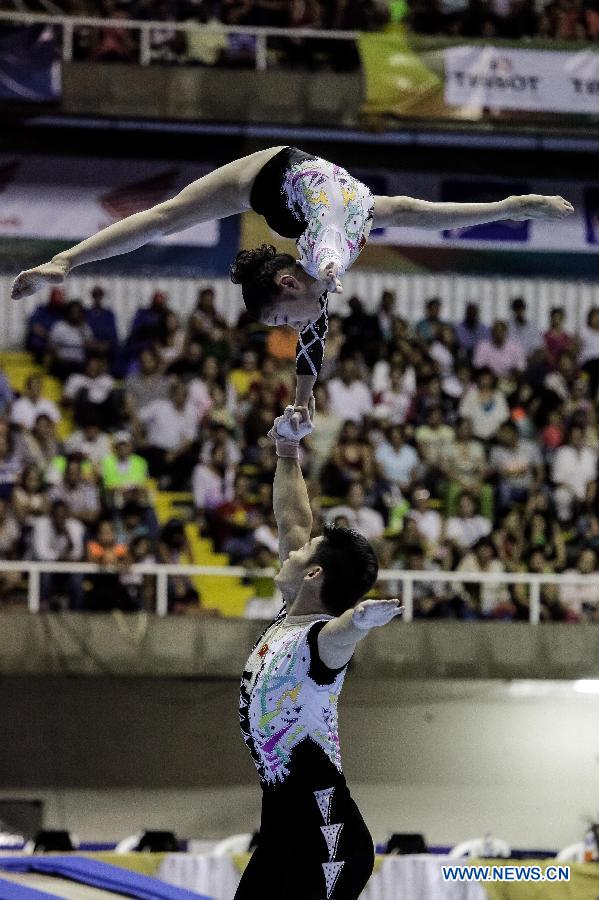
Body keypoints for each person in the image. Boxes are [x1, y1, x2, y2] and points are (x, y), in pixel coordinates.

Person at [11, 145, 573, 421]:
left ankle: (509, 204)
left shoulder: (320, 259)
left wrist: (329, 268)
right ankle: (65, 261)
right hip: (333, 199)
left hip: (276, 177)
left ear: (287, 282)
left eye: (281, 316)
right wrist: (301, 402)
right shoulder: (313, 288)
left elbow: (326, 247)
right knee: (407, 210)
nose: (290, 327)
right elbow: (313, 337)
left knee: (408, 211)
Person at [236, 400, 401, 900]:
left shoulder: (318, 643)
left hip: (327, 840)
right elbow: (293, 512)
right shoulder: (291, 612)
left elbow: (341, 637)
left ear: (314, 575)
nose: (291, 546)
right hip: (284, 835)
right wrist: (286, 447)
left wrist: (361, 620)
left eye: (303, 551)